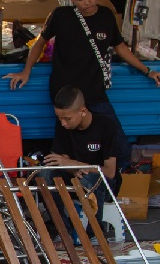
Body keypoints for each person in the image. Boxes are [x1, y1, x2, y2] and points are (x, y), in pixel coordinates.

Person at [3, 0, 160, 160]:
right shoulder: (60, 16)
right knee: (68, 152)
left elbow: (120, 48)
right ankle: (71, 186)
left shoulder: (106, 17)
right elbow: (39, 43)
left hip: (95, 93)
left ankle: (112, 183)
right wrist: (26, 71)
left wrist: (147, 70)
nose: (87, 2)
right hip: (67, 98)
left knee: (120, 147)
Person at [39, 86, 123, 222]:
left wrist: (76, 165)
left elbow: (109, 172)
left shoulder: (106, 125)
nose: (63, 123)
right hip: (73, 177)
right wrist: (73, 169)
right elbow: (61, 160)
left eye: (67, 119)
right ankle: (61, 228)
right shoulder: (63, 124)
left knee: (89, 179)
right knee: (43, 174)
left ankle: (94, 233)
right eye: (60, 118)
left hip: (102, 185)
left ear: (82, 111)